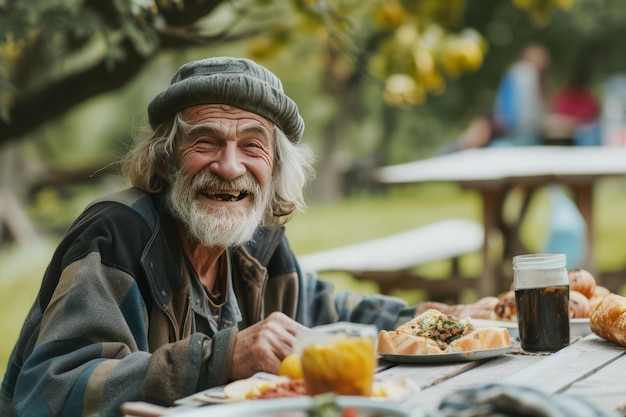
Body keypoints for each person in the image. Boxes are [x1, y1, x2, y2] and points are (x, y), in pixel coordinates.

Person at [0, 57, 415, 417]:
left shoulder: (257, 240)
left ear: (274, 168)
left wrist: (423, 323)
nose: (230, 166)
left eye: (252, 146)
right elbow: (52, 393)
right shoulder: (117, 235)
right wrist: (221, 358)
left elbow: (321, 309)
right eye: (205, 142)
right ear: (164, 159)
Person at [493, 44, 551, 146]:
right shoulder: (526, 72)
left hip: (510, 127)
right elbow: (527, 107)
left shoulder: (516, 71)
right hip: (521, 129)